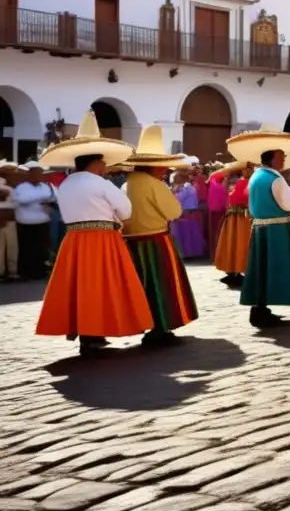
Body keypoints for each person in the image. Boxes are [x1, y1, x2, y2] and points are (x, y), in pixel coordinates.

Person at [34, 111, 154, 356]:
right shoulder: (101, 183)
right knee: (102, 285)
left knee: (79, 287)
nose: (105, 167)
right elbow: (126, 211)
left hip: (74, 240)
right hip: (102, 239)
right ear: (95, 162)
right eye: (102, 162)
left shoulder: (66, 184)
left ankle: (87, 333)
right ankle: (96, 331)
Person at [227, 124, 290, 328]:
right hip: (276, 231)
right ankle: (260, 311)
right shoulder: (275, 179)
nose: (284, 159)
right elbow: (288, 203)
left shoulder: (257, 176)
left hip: (261, 229)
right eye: (281, 156)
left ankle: (260, 308)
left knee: (261, 269)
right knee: (275, 268)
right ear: (273, 158)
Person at [121, 125, 199, 347]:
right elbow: (174, 211)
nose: (165, 169)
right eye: (162, 165)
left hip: (132, 242)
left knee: (142, 286)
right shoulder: (154, 184)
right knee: (162, 286)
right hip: (156, 241)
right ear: (153, 165)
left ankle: (148, 325)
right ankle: (160, 328)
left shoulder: (127, 184)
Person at [13, 161, 56, 280]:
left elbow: (54, 197)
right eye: (36, 174)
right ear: (29, 174)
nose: (39, 176)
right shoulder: (22, 187)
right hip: (26, 223)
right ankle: (27, 273)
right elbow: (21, 200)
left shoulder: (46, 187)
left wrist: (49, 201)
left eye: (40, 174)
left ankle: (41, 272)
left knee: (42, 249)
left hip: (43, 222)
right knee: (27, 249)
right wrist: (40, 198)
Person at [214, 161, 252, 288]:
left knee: (237, 244)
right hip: (240, 219)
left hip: (239, 219)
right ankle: (233, 272)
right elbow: (238, 199)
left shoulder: (243, 182)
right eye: (249, 168)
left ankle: (234, 272)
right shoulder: (242, 182)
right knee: (238, 244)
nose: (252, 170)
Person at [169, 172, 207, 259]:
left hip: (186, 212)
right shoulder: (188, 187)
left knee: (186, 234)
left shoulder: (186, 188)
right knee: (189, 233)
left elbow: (178, 199)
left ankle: (188, 253)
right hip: (188, 212)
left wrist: (173, 192)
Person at [0, 161, 17, 282]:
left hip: (10, 218)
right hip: (2, 218)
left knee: (12, 247)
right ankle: (1, 273)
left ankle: (12, 272)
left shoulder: (12, 184)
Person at [207, 163, 228, 255]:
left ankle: (216, 253)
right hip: (219, 210)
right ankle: (218, 253)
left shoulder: (212, 179)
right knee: (218, 232)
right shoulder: (216, 179)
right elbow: (222, 193)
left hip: (214, 209)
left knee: (215, 232)